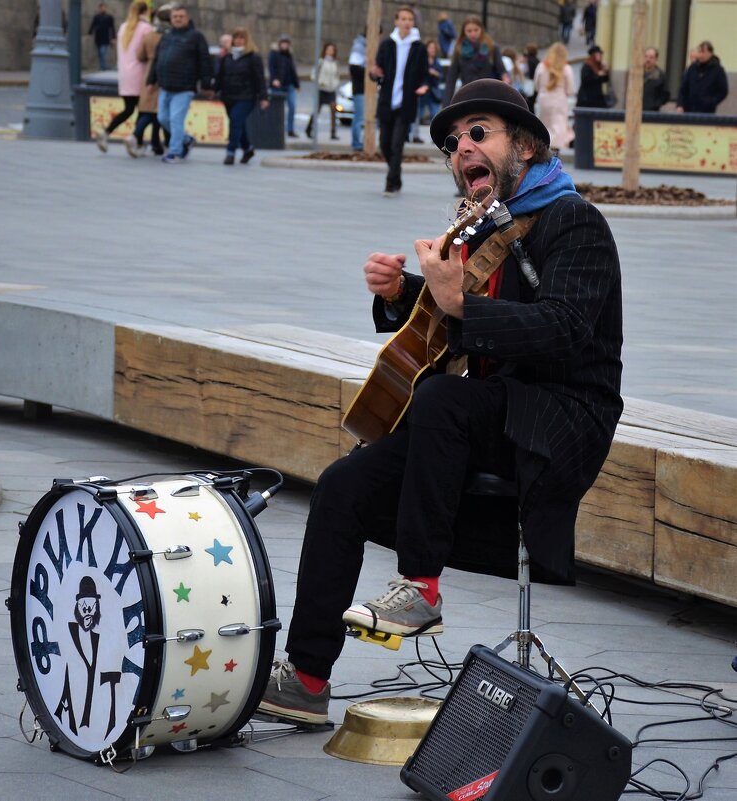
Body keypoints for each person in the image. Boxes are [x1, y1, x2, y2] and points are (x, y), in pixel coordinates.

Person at [257, 77, 623, 727]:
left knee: (442, 400)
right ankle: (308, 677)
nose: (462, 148)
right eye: (454, 142)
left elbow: (563, 331)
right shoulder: (488, 232)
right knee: (344, 484)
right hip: (486, 414)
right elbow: (457, 316)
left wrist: (462, 307)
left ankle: (420, 587)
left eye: (479, 133)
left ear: (529, 147)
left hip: (559, 417)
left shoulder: (575, 220)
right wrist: (405, 292)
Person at [371, 6, 428, 197]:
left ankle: (390, 183)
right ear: (396, 21)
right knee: (384, 143)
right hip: (388, 101)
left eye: (410, 19)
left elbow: (424, 74)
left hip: (406, 103)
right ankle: (397, 175)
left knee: (397, 144)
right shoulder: (387, 44)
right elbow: (378, 72)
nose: (406, 23)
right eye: (403, 19)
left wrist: (423, 86)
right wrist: (374, 74)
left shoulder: (419, 47)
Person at [147, 3, 213, 164]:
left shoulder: (196, 37)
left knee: (176, 120)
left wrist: (206, 84)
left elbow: (205, 61)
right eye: (175, 17)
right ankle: (187, 139)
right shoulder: (167, 36)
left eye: (181, 16)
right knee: (163, 118)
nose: (177, 19)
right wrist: (151, 81)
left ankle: (174, 151)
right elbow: (157, 60)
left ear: (187, 18)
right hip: (166, 86)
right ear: (171, 19)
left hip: (184, 87)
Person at [95, 2, 152, 153]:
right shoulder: (145, 28)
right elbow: (148, 51)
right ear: (145, 11)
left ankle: (106, 131)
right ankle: (136, 142)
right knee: (143, 110)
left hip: (125, 75)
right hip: (140, 74)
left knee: (128, 109)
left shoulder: (123, 27)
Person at [215, 27, 269, 165]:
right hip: (228, 96)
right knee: (238, 124)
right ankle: (247, 148)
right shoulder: (227, 57)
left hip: (246, 96)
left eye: (241, 38)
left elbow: (259, 79)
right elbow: (220, 77)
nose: (238, 41)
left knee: (235, 120)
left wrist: (263, 97)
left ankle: (230, 152)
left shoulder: (253, 58)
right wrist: (213, 90)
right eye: (236, 38)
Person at [126, 5, 171, 157]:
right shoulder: (169, 37)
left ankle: (153, 142)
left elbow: (139, 55)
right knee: (159, 111)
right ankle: (140, 137)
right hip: (163, 74)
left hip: (148, 74)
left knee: (149, 110)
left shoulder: (150, 35)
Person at [442, 15, 508, 106]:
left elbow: (501, 70)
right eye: (469, 31)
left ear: (481, 29)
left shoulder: (492, 47)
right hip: (468, 96)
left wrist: (505, 79)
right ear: (464, 32)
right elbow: (451, 78)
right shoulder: (459, 50)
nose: (473, 34)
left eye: (476, 30)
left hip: (490, 96)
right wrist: (446, 105)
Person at [534, 42, 575, 154]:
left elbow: (536, 85)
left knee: (544, 126)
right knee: (559, 127)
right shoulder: (566, 69)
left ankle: (544, 148)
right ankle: (555, 152)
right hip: (559, 101)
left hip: (543, 100)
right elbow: (570, 90)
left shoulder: (541, 66)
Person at [676, 41, 729, 114]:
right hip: (689, 109)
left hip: (707, 111)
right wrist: (680, 105)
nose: (701, 54)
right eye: (699, 51)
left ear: (710, 53)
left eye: (703, 52)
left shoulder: (718, 70)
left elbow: (723, 91)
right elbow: (683, 89)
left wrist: (712, 102)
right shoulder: (692, 68)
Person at [306, 43, 341, 140]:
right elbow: (313, 75)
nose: (330, 51)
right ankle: (309, 128)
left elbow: (337, 76)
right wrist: (320, 82)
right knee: (317, 110)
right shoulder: (321, 62)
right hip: (322, 89)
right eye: (328, 49)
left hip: (331, 90)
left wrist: (335, 84)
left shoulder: (335, 63)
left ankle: (333, 132)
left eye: (332, 50)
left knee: (333, 109)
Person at [412, 38, 444, 143]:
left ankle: (435, 138)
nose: (432, 50)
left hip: (433, 92)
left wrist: (435, 73)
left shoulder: (437, 63)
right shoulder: (421, 61)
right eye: (430, 48)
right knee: (417, 115)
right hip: (423, 92)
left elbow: (442, 77)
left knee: (436, 116)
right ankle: (415, 136)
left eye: (434, 48)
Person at [269, 34, 300, 138]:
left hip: (289, 84)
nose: (285, 45)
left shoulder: (289, 55)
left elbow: (293, 71)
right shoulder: (274, 54)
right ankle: (275, 129)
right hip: (278, 85)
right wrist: (274, 80)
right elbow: (271, 68)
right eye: (283, 43)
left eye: (287, 43)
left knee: (292, 106)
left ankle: (290, 129)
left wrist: (297, 84)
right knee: (276, 109)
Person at [348, 31, 367, 151]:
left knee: (360, 118)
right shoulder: (359, 47)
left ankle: (357, 141)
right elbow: (354, 68)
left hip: (363, 89)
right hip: (360, 88)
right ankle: (356, 142)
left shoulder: (364, 46)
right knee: (359, 118)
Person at [88, 3, 116, 71]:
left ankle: (103, 67)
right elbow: (92, 25)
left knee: (102, 52)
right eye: (102, 7)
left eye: (104, 7)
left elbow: (112, 28)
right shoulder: (96, 17)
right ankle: (102, 66)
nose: (103, 8)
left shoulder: (109, 17)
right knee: (100, 53)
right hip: (98, 37)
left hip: (106, 38)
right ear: (100, 8)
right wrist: (89, 33)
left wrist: (113, 37)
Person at [642, 47, 670, 112]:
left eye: (651, 57)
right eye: (646, 56)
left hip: (652, 111)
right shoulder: (636, 74)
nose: (648, 60)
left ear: (656, 59)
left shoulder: (661, 76)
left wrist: (655, 104)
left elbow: (665, 95)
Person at [522, 43, 540, 113]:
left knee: (529, 104)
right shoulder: (537, 60)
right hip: (535, 84)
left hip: (530, 84)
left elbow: (527, 72)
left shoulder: (529, 61)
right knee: (532, 104)